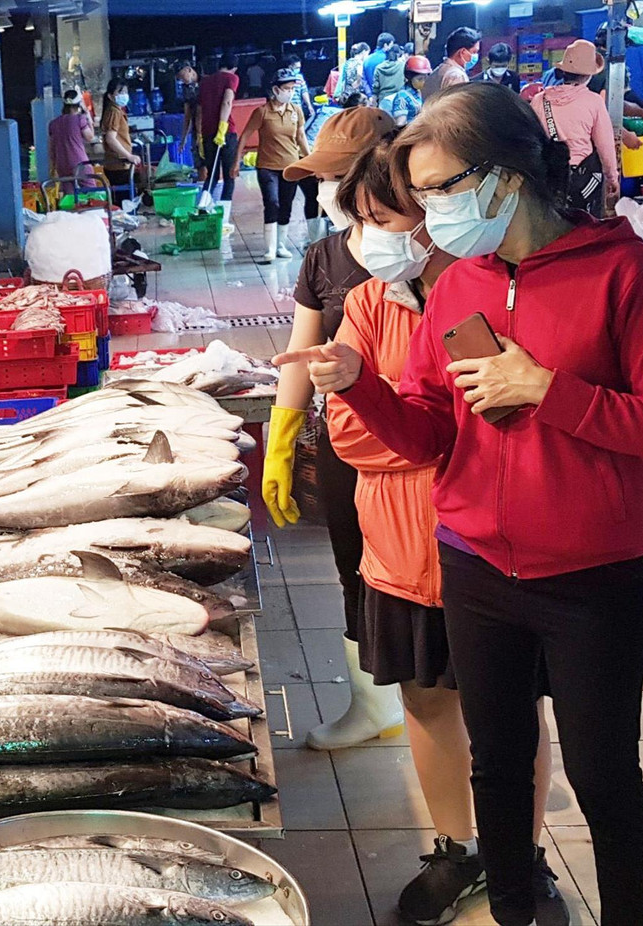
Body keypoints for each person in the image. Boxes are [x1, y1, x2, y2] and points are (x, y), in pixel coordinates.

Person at [281, 81, 643, 926]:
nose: (430, 211)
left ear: (506, 175)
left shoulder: (623, 272)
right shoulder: (458, 287)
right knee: (496, 759)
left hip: (595, 574)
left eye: (445, 189)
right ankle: (513, 911)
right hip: (476, 563)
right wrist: (359, 386)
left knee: (603, 777)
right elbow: (426, 435)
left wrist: (550, 391)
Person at [327, 137, 562, 926]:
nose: (378, 240)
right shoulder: (367, 304)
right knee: (427, 703)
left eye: (390, 216)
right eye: (363, 222)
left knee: (512, 714)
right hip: (399, 553)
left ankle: (523, 862)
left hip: (494, 554)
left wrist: (407, 415)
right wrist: (423, 424)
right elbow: (351, 437)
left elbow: (520, 429)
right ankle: (455, 850)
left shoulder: (500, 297)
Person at [267, 107, 406, 753]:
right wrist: (282, 438)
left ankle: (443, 698)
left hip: (419, 445)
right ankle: (373, 703)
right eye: (324, 179)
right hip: (347, 446)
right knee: (354, 569)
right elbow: (301, 351)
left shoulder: (421, 252)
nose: (330, 192)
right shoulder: (323, 257)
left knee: (429, 579)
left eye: (340, 175)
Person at [530, 39, 620, 217]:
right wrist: (612, 177)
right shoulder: (593, 101)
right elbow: (605, 145)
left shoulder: (539, 100)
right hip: (583, 180)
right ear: (588, 75)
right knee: (584, 225)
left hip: (548, 176)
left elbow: (531, 138)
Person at [243, 69, 311, 264]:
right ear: (275, 89)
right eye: (286, 88)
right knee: (272, 203)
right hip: (267, 166)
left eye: (291, 89)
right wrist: (234, 163)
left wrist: (310, 160)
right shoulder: (262, 112)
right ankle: (270, 249)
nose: (289, 92)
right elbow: (246, 134)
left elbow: (301, 137)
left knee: (286, 205)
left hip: (290, 166)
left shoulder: (296, 110)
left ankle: (281, 245)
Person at [197, 54, 240, 203]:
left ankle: (202, 207)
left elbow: (200, 110)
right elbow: (227, 102)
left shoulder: (204, 82)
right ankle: (224, 212)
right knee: (229, 175)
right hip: (225, 132)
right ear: (234, 68)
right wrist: (222, 128)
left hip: (207, 132)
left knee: (212, 175)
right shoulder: (232, 78)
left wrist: (200, 135)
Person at [100, 78, 141, 192]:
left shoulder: (116, 110)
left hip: (117, 163)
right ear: (110, 96)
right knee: (124, 200)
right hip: (118, 163)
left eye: (125, 92)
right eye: (120, 92)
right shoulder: (114, 111)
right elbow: (110, 138)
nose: (124, 95)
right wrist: (128, 156)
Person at [49, 88, 97, 184]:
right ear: (79, 105)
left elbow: (52, 148)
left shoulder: (53, 123)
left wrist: (53, 167)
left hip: (62, 165)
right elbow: (90, 137)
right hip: (79, 163)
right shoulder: (80, 119)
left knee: (70, 196)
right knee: (91, 193)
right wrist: (88, 118)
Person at [423, 27, 480, 101]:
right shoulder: (457, 76)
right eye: (474, 52)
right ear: (462, 52)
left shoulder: (437, 71)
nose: (476, 55)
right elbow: (458, 107)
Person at [391, 56, 432, 127]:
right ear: (409, 77)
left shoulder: (418, 92)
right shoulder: (402, 97)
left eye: (425, 79)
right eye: (419, 79)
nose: (423, 82)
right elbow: (400, 125)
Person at [176, 63, 201, 162]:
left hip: (209, 126)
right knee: (199, 161)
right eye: (180, 79)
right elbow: (187, 115)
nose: (182, 80)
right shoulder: (186, 89)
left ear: (189, 70)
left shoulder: (206, 81)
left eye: (182, 76)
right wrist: (183, 139)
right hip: (196, 129)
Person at [283, 53, 316, 124]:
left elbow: (304, 92)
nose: (298, 69)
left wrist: (309, 106)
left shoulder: (299, 77)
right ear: (290, 66)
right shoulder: (282, 78)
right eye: (297, 68)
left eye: (299, 67)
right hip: (285, 110)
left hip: (298, 109)